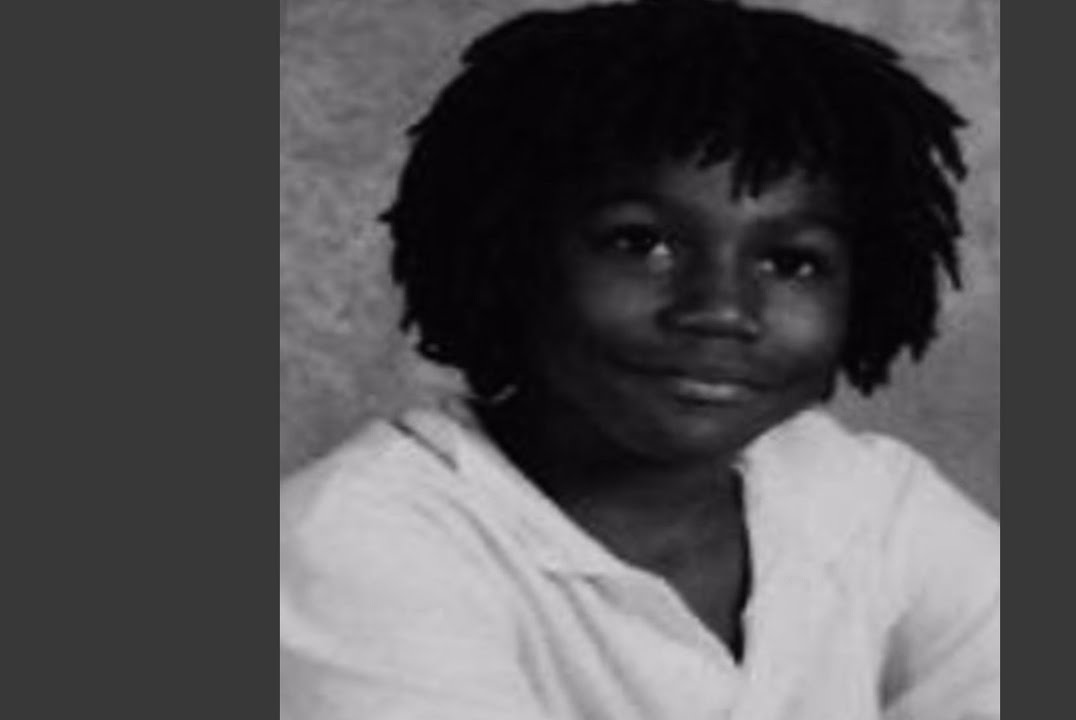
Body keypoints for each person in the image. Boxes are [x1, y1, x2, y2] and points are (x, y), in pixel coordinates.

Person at [279, 1, 1000, 718]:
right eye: (640, 243)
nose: (722, 309)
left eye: (792, 262)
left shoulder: (868, 501)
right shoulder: (354, 543)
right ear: (500, 253)